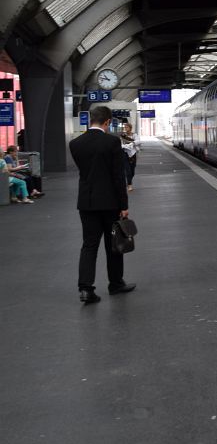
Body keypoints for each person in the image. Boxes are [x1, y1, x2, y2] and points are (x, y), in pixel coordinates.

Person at [68, 105, 135, 304]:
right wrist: (124, 205)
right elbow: (117, 176)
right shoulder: (111, 142)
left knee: (89, 245)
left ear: (91, 121)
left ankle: (85, 289)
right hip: (110, 202)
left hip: (86, 203)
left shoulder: (75, 144)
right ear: (107, 122)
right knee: (113, 244)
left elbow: (86, 171)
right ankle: (115, 284)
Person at [120, 123, 140, 191]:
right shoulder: (123, 135)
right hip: (125, 153)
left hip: (133, 154)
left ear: (130, 128)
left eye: (127, 127)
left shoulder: (134, 135)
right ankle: (129, 185)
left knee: (132, 171)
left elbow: (138, 141)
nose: (125, 129)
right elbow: (120, 143)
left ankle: (128, 181)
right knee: (127, 170)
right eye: (125, 127)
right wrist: (123, 146)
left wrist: (133, 143)